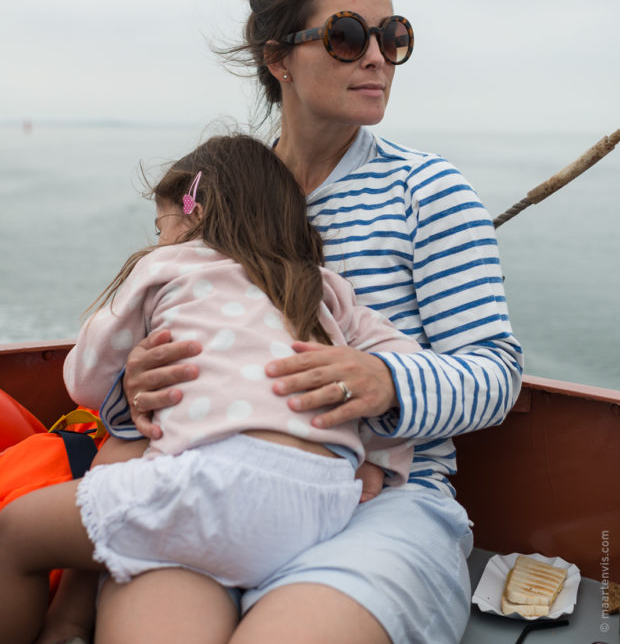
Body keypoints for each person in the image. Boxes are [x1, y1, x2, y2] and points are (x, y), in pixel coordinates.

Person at [98, 0, 524, 644]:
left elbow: (494, 374)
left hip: (381, 505)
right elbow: (150, 342)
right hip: (207, 481)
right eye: (347, 35)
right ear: (278, 60)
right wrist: (132, 386)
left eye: (393, 36)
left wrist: (383, 381)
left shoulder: (430, 192)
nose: (376, 57)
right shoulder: (220, 194)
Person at [0, 134, 420, 644]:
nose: (158, 240)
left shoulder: (166, 264)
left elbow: (83, 380)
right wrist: (381, 458)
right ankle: (68, 625)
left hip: (211, 490)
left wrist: (125, 370)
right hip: (321, 506)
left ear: (191, 214)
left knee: (15, 532)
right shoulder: (324, 286)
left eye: (160, 226)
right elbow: (404, 372)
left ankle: (62, 627)